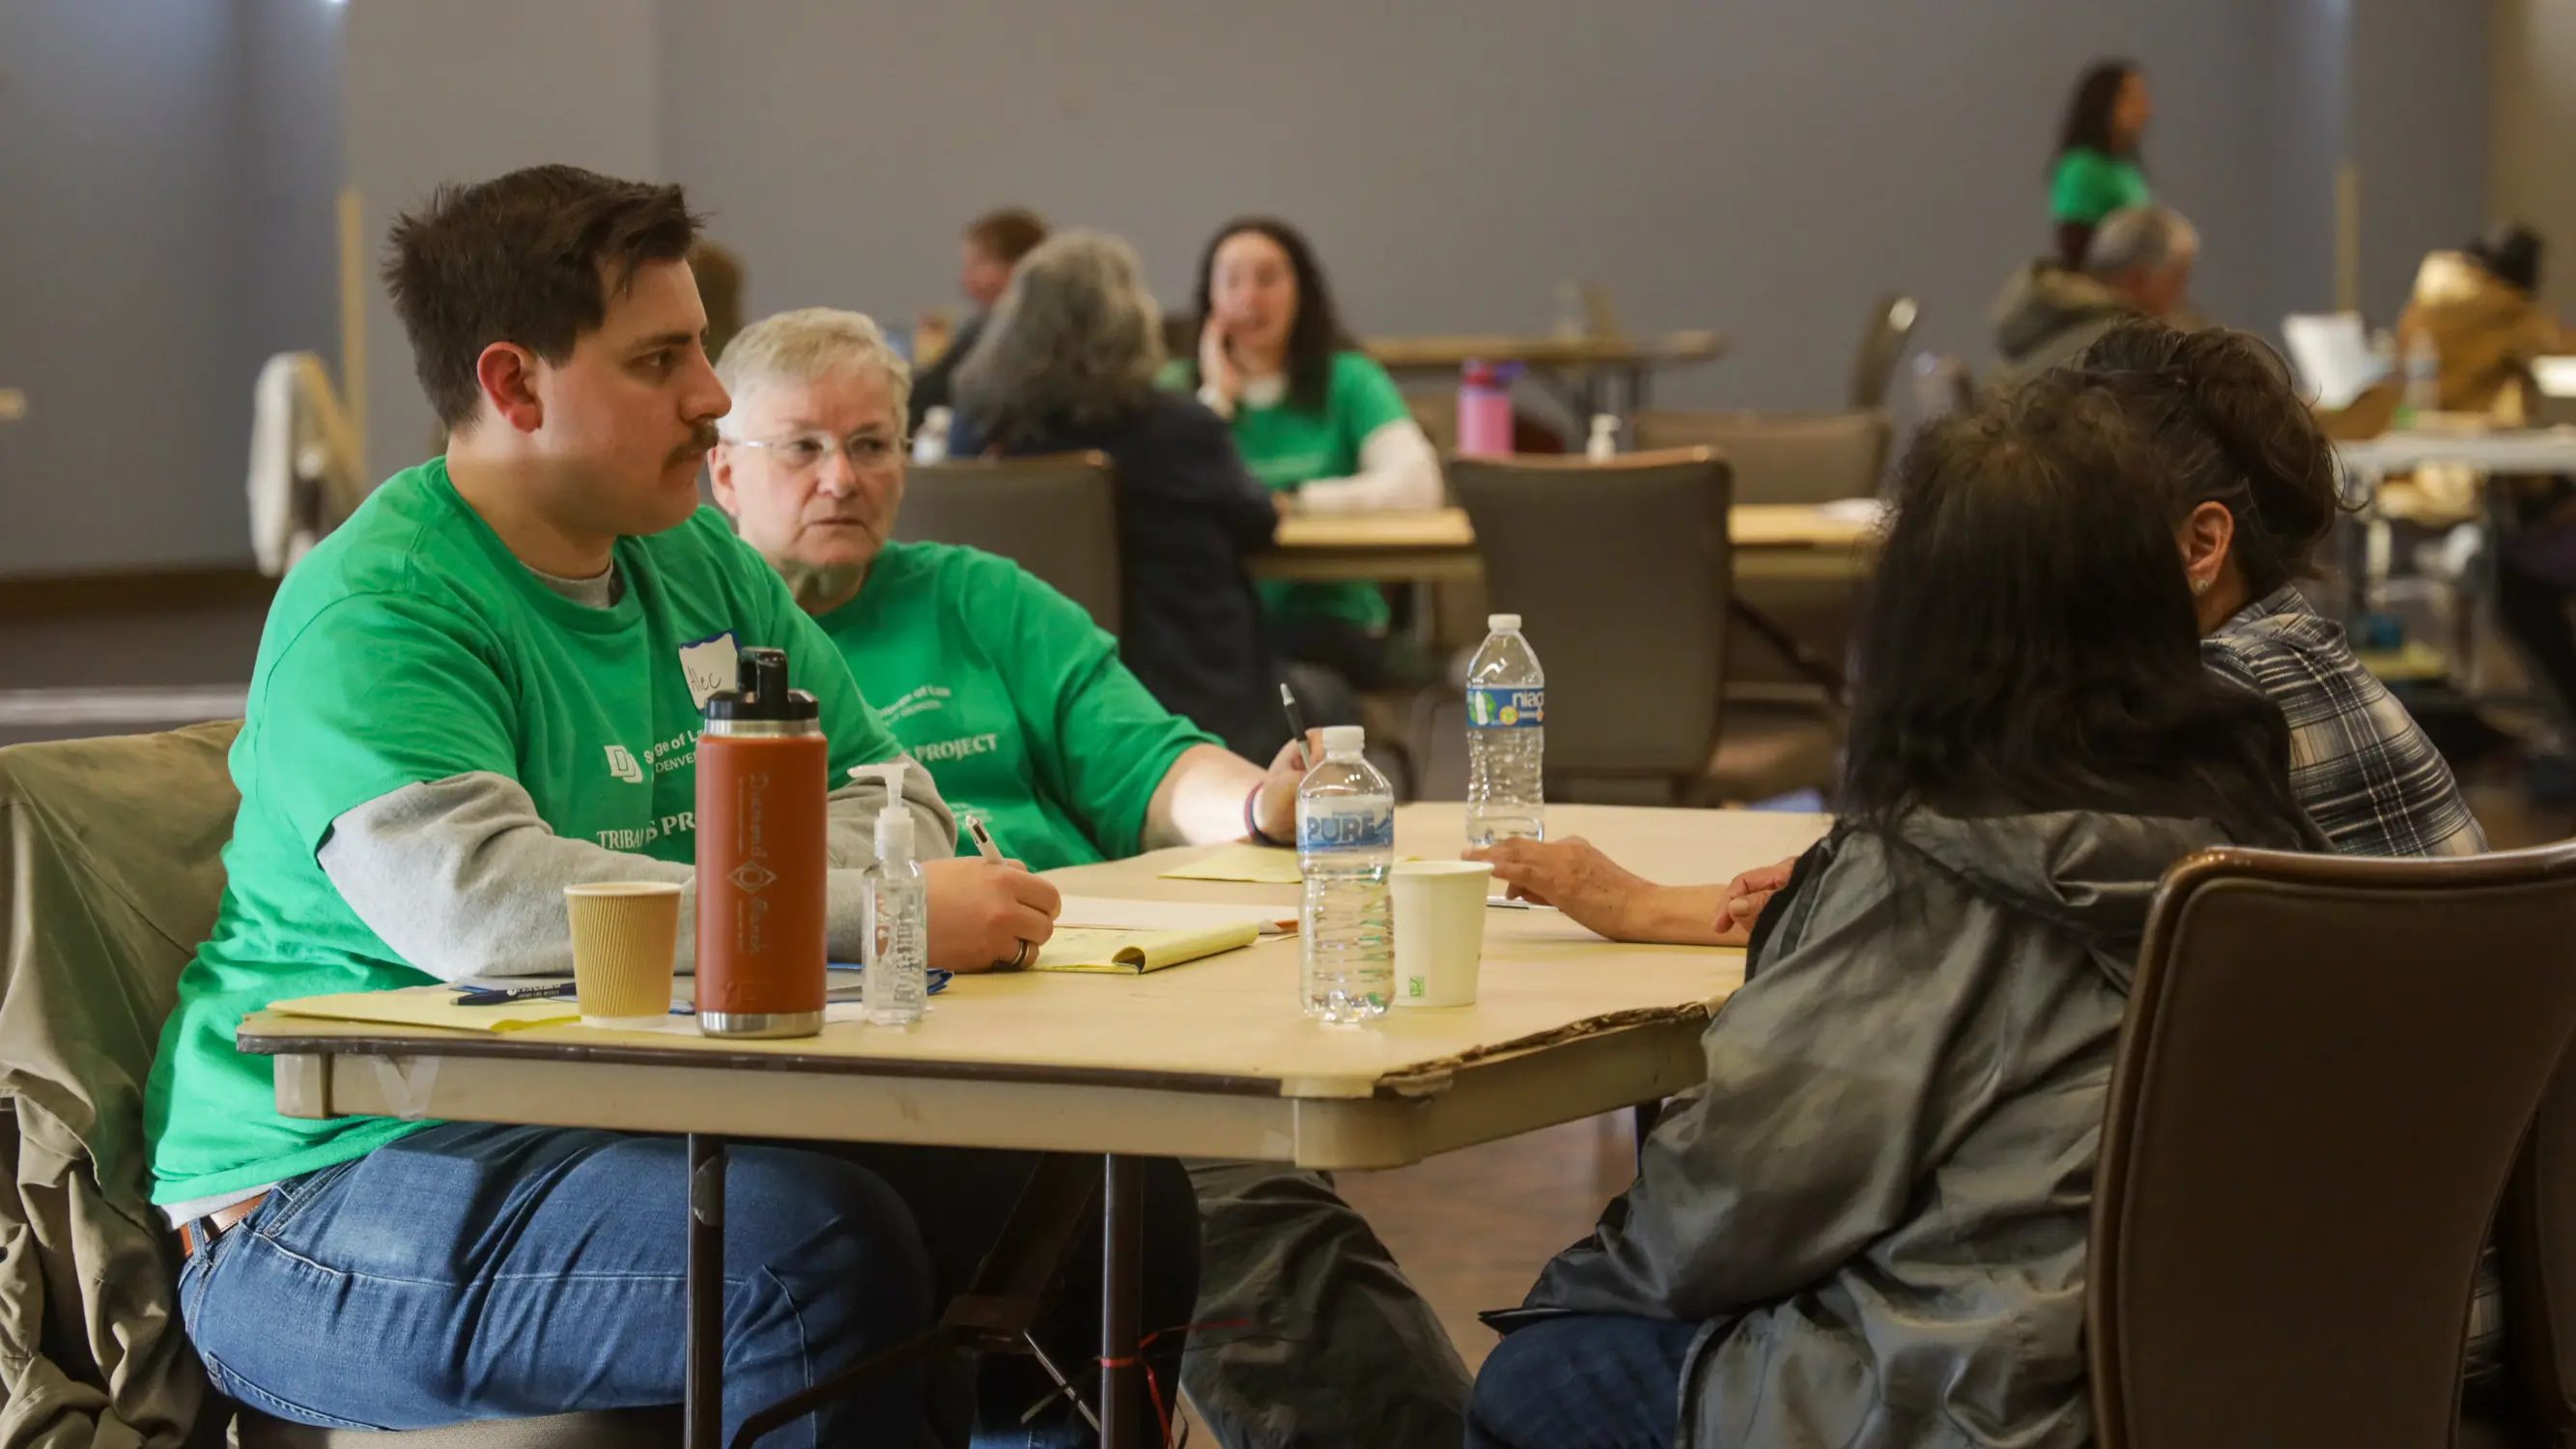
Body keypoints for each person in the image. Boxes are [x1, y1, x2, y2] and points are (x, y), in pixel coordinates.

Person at [146, 164, 1188, 1449]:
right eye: (658, 361)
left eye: (698, 346)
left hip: (609, 1116)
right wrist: (874, 913)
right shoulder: (381, 605)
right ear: (514, 385)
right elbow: (486, 912)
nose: (711, 396)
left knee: (1096, 1197)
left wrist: (828, 890)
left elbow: (890, 795)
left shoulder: (691, 555)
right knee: (801, 1253)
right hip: (323, 1196)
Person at [1462, 377, 2319, 1449]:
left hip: (1990, 1399)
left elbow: (1733, 1211)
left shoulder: (1931, 874)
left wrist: (1571, 1290)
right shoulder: (2254, 826)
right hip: (2222, 1376)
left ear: (1919, 626)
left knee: (1536, 1377)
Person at [714, 302, 1478, 1449]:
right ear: (723, 471)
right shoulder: (699, 650)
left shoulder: (979, 598)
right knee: (1187, 1205)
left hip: (1086, 1007)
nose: (843, 478)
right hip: (885, 1057)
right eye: (804, 448)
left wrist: (1260, 804)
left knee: (1270, 1210)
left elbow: (1151, 764)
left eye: (872, 445)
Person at [948, 229, 1289, 758]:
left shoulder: (976, 436)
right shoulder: (1179, 431)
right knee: (1323, 696)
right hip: (1187, 718)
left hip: (1023, 718)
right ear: (1132, 322)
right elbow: (1258, 523)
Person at [1169, 217, 1441, 692]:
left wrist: (1298, 501)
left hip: (1329, 620)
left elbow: (1420, 485)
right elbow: (1169, 501)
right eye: (1232, 281)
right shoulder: (1174, 390)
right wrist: (1216, 402)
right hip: (1214, 621)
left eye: (1268, 279)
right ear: (1209, 298)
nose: (1250, 298)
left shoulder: (1350, 379)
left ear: (1301, 291)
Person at [1990, 204, 2196, 383]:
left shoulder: (2047, 320)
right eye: (2177, 279)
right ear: (2137, 279)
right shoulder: (2122, 355)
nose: (2181, 294)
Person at [910, 206, 1048, 432]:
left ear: (1021, 266)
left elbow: (929, 395)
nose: (966, 280)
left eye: (979, 264)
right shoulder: (978, 329)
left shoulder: (1001, 339)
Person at [2050, 59, 2153, 268]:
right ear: (2104, 104)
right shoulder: (2081, 170)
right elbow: (2077, 249)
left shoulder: (2127, 168)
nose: (2145, 110)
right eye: (2132, 99)